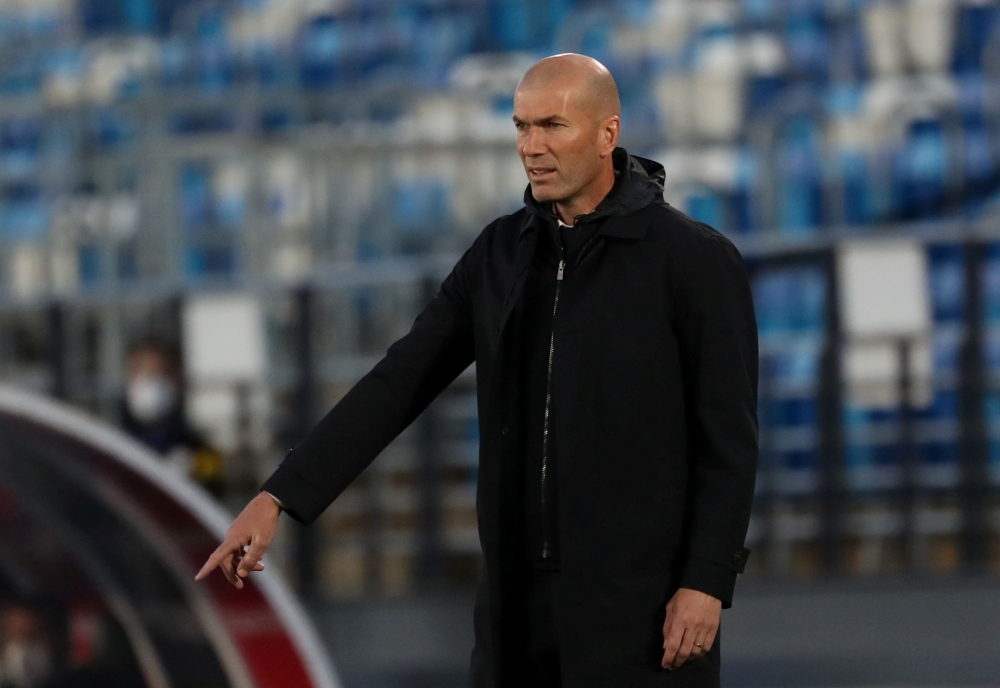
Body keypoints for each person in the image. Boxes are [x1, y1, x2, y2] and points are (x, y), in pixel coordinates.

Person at [196, 53, 759, 687]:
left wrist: (706, 581)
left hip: (645, 621)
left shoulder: (694, 262)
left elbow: (729, 446)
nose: (531, 147)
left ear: (608, 135)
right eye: (520, 127)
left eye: (552, 126)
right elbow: (400, 379)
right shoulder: (498, 253)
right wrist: (280, 496)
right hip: (513, 625)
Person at [121, 338, 225, 498]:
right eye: (142, 370)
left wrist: (193, 469)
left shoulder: (199, 451)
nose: (151, 382)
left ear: (178, 379)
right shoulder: (113, 445)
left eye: (160, 372)